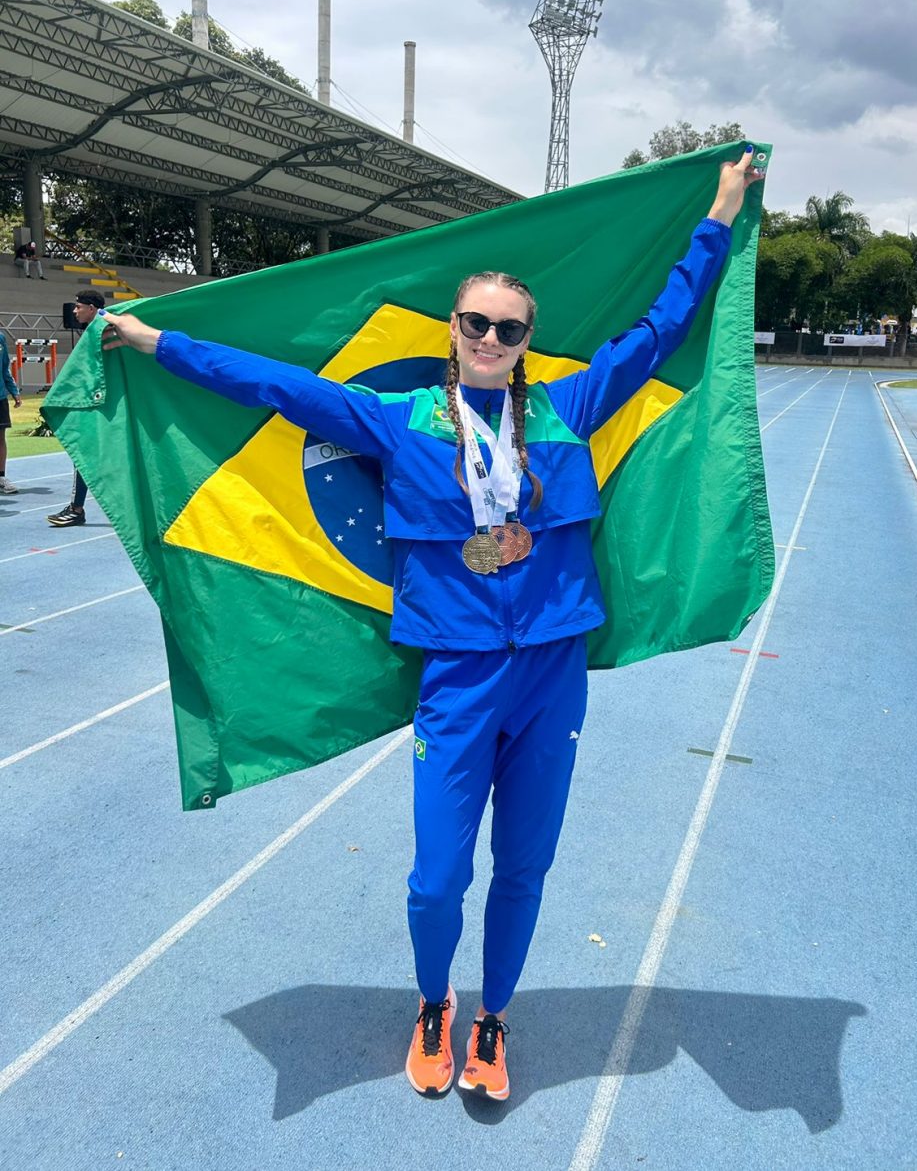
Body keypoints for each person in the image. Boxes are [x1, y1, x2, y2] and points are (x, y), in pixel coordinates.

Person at [100, 151, 763, 1101]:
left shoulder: (569, 409)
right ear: (451, 331)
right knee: (435, 877)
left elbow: (659, 328)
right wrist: (162, 343)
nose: (490, 335)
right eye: (475, 322)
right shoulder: (397, 417)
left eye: (508, 326)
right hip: (457, 679)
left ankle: (491, 1020)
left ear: (528, 338)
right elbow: (272, 385)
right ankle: (432, 1003)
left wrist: (720, 213)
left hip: (550, 674)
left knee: (525, 866)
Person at [48, 290, 104, 527]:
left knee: (84, 456)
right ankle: (76, 508)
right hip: (96, 404)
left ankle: (77, 508)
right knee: (84, 456)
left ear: (91, 308)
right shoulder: (94, 331)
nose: (74, 310)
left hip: (103, 406)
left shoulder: (103, 330)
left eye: (78, 306)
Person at [0, 329, 22, 493]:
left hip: (0, 396)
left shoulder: (0, 338)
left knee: (0, 438)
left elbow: (5, 367)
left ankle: (1, 477)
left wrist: (14, 391)